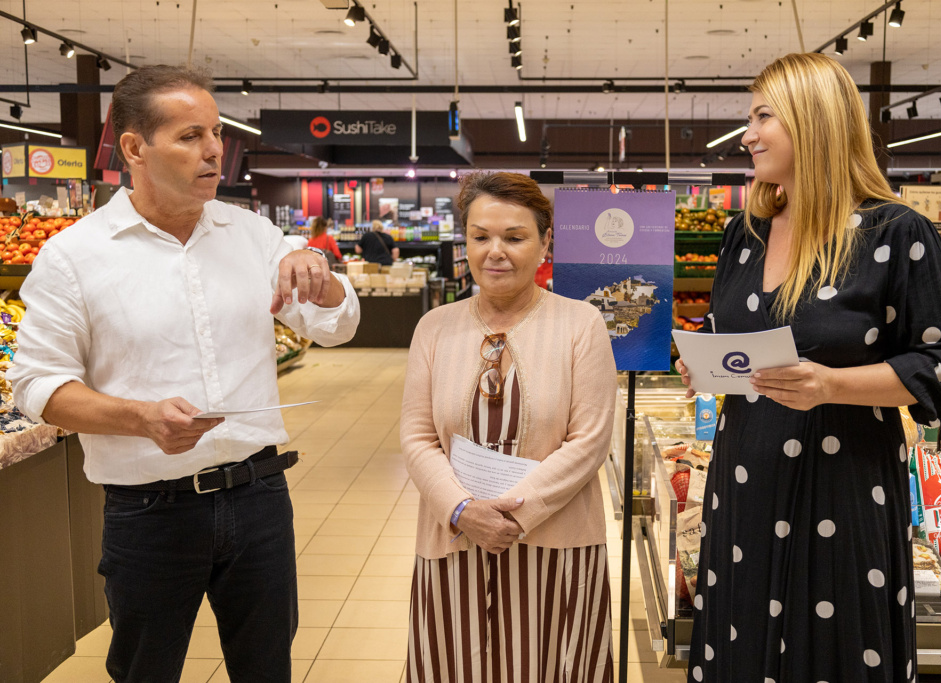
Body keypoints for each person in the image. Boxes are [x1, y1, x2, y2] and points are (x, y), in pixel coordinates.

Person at [9, 65, 360, 682]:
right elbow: (37, 386)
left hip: (259, 500)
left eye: (217, 134)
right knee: (147, 671)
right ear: (135, 148)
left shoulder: (250, 235)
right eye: (191, 135)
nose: (214, 150)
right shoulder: (75, 256)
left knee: (266, 668)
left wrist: (322, 276)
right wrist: (138, 418)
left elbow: (336, 325)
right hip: (149, 512)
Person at [674, 53, 941, 683]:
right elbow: (728, 333)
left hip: (845, 486)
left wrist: (832, 384)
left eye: (762, 116)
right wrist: (700, 359)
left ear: (813, 122)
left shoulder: (897, 233)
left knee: (835, 648)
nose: (748, 134)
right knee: (742, 639)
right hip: (744, 481)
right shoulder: (745, 233)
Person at [401, 172, 617, 682]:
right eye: (480, 237)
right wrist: (461, 509)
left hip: (555, 542)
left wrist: (516, 514)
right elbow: (417, 437)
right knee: (456, 664)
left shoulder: (581, 323)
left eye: (514, 237)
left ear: (545, 243)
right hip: (456, 540)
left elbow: (589, 441)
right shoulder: (434, 327)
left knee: (553, 666)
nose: (495, 251)